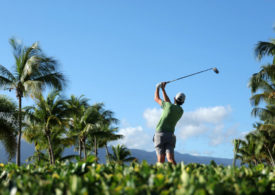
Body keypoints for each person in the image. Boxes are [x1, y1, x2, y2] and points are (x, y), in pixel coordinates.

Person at [153, 82, 185, 165]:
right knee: (170, 159)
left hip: (160, 134)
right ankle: (178, 173)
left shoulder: (169, 106)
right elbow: (169, 104)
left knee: (161, 160)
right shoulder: (181, 111)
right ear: (183, 102)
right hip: (170, 136)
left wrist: (157, 87)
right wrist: (163, 89)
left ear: (174, 98)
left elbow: (156, 98)